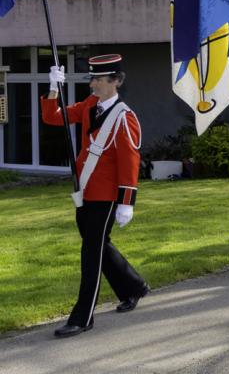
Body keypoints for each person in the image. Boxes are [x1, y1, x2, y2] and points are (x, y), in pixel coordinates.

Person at [42, 54, 148, 338]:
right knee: (99, 245)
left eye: (99, 79)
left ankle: (83, 317)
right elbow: (53, 117)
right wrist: (52, 88)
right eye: (92, 79)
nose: (93, 84)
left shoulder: (124, 117)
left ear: (116, 81)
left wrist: (126, 203)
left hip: (107, 196)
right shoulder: (90, 105)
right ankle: (134, 286)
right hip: (85, 190)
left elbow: (129, 162)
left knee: (91, 252)